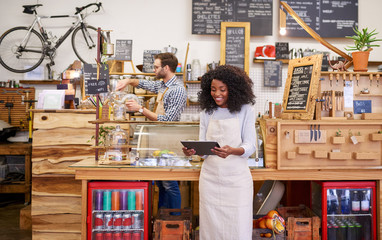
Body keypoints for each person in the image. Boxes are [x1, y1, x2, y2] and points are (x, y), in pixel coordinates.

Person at [183, 65, 257, 240]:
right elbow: (204, 150)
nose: (217, 94)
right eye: (213, 89)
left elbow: (251, 146)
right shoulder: (207, 112)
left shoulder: (246, 110)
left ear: (233, 89)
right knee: (211, 228)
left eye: (222, 90)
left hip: (237, 180)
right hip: (210, 179)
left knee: (238, 226)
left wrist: (233, 151)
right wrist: (193, 151)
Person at [116, 52, 186, 210]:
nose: (153, 70)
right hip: (159, 140)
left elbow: (168, 120)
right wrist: (128, 80)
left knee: (170, 185)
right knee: (161, 184)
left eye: (156, 67)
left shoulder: (177, 90)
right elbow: (144, 84)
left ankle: (174, 221)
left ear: (166, 68)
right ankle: (162, 218)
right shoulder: (163, 85)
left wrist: (140, 109)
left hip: (169, 141)